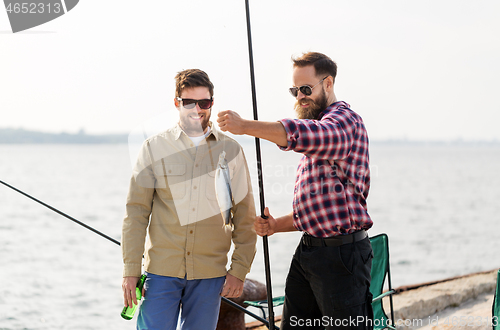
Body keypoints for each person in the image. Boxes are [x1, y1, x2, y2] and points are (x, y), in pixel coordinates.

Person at [217, 52, 374, 329]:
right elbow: (320, 212)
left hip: (342, 258)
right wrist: (276, 225)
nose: (300, 96)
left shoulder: (345, 122)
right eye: (295, 90)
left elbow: (307, 134)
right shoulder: (320, 131)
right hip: (309, 254)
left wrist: (244, 127)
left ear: (328, 83)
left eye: (306, 89)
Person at [122, 69, 257, 330]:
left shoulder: (232, 151)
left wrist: (239, 270)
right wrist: (131, 270)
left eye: (204, 103)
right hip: (161, 272)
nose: (197, 109)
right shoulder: (153, 148)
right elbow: (136, 214)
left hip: (210, 275)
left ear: (212, 103)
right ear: (177, 103)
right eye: (189, 102)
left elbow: (245, 216)